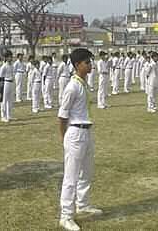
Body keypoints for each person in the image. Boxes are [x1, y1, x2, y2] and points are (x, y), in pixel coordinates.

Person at [58, 48, 102, 231]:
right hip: (75, 133)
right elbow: (62, 115)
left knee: (87, 172)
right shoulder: (72, 86)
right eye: (87, 62)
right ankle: (66, 216)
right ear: (77, 65)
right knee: (71, 176)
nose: (91, 65)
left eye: (90, 61)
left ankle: (82, 204)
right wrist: (65, 139)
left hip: (86, 131)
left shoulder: (83, 83)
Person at [0, 50, 15, 122]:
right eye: (9, 57)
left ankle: (9, 115)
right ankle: (3, 116)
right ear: (6, 58)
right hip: (5, 83)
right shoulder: (4, 66)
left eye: (11, 56)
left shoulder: (11, 65)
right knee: (4, 100)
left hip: (11, 82)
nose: (11, 58)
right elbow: (0, 77)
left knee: (10, 100)